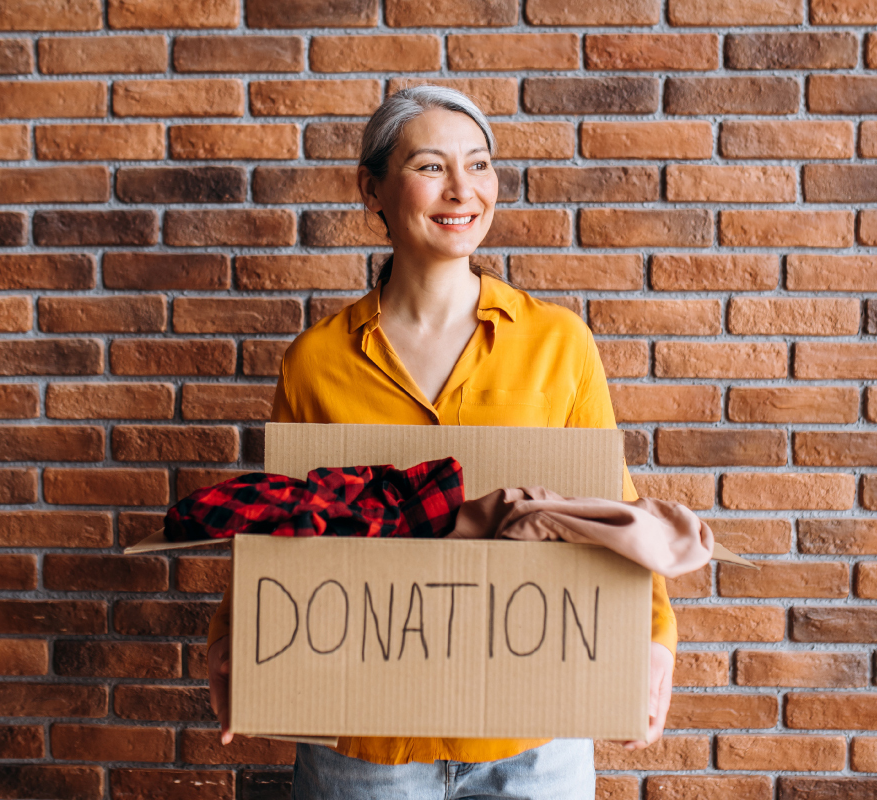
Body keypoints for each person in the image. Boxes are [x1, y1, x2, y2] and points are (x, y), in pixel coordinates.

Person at [206, 85, 676, 800]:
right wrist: (234, 639)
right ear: (373, 189)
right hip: (364, 742)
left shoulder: (558, 345)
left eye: (479, 165)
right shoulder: (316, 360)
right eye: (431, 166)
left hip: (534, 739)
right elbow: (279, 521)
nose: (463, 189)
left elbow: (615, 510)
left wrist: (653, 643)